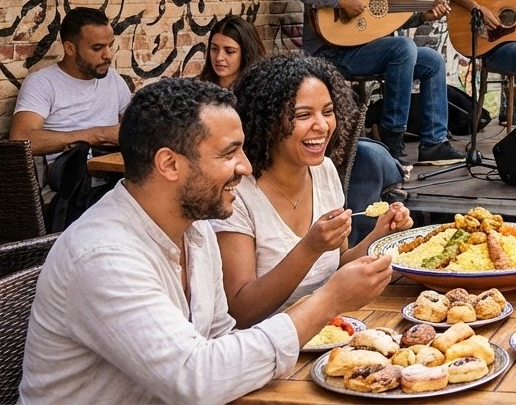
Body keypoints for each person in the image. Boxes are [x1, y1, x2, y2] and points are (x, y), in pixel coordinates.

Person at [20, 78, 393, 405]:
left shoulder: (195, 229)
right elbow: (197, 379)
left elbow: (219, 338)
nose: (246, 167)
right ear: (169, 164)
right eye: (229, 153)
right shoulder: (104, 256)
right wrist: (327, 302)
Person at [214, 55, 413, 327]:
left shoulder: (324, 171)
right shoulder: (237, 194)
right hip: (269, 349)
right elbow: (241, 311)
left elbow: (337, 266)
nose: (322, 125)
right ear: (267, 120)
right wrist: (309, 247)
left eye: (328, 111)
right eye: (303, 115)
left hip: (332, 331)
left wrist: (380, 234)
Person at [288, 0, 460, 164]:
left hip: (361, 48)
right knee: (403, 49)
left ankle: (434, 142)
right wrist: (339, 0)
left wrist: (420, 17)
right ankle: (392, 138)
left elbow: (377, 20)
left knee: (433, 61)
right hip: (329, 52)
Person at [10, 7, 130, 158]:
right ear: (69, 48)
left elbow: (137, 125)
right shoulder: (42, 83)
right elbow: (21, 139)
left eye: (110, 45)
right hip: (66, 176)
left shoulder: (113, 79)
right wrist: (99, 135)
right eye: (97, 48)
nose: (108, 55)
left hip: (112, 172)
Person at [199, 15, 267, 89]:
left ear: (246, 53)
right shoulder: (197, 89)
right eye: (214, 49)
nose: (219, 57)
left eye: (229, 51)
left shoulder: (260, 92)